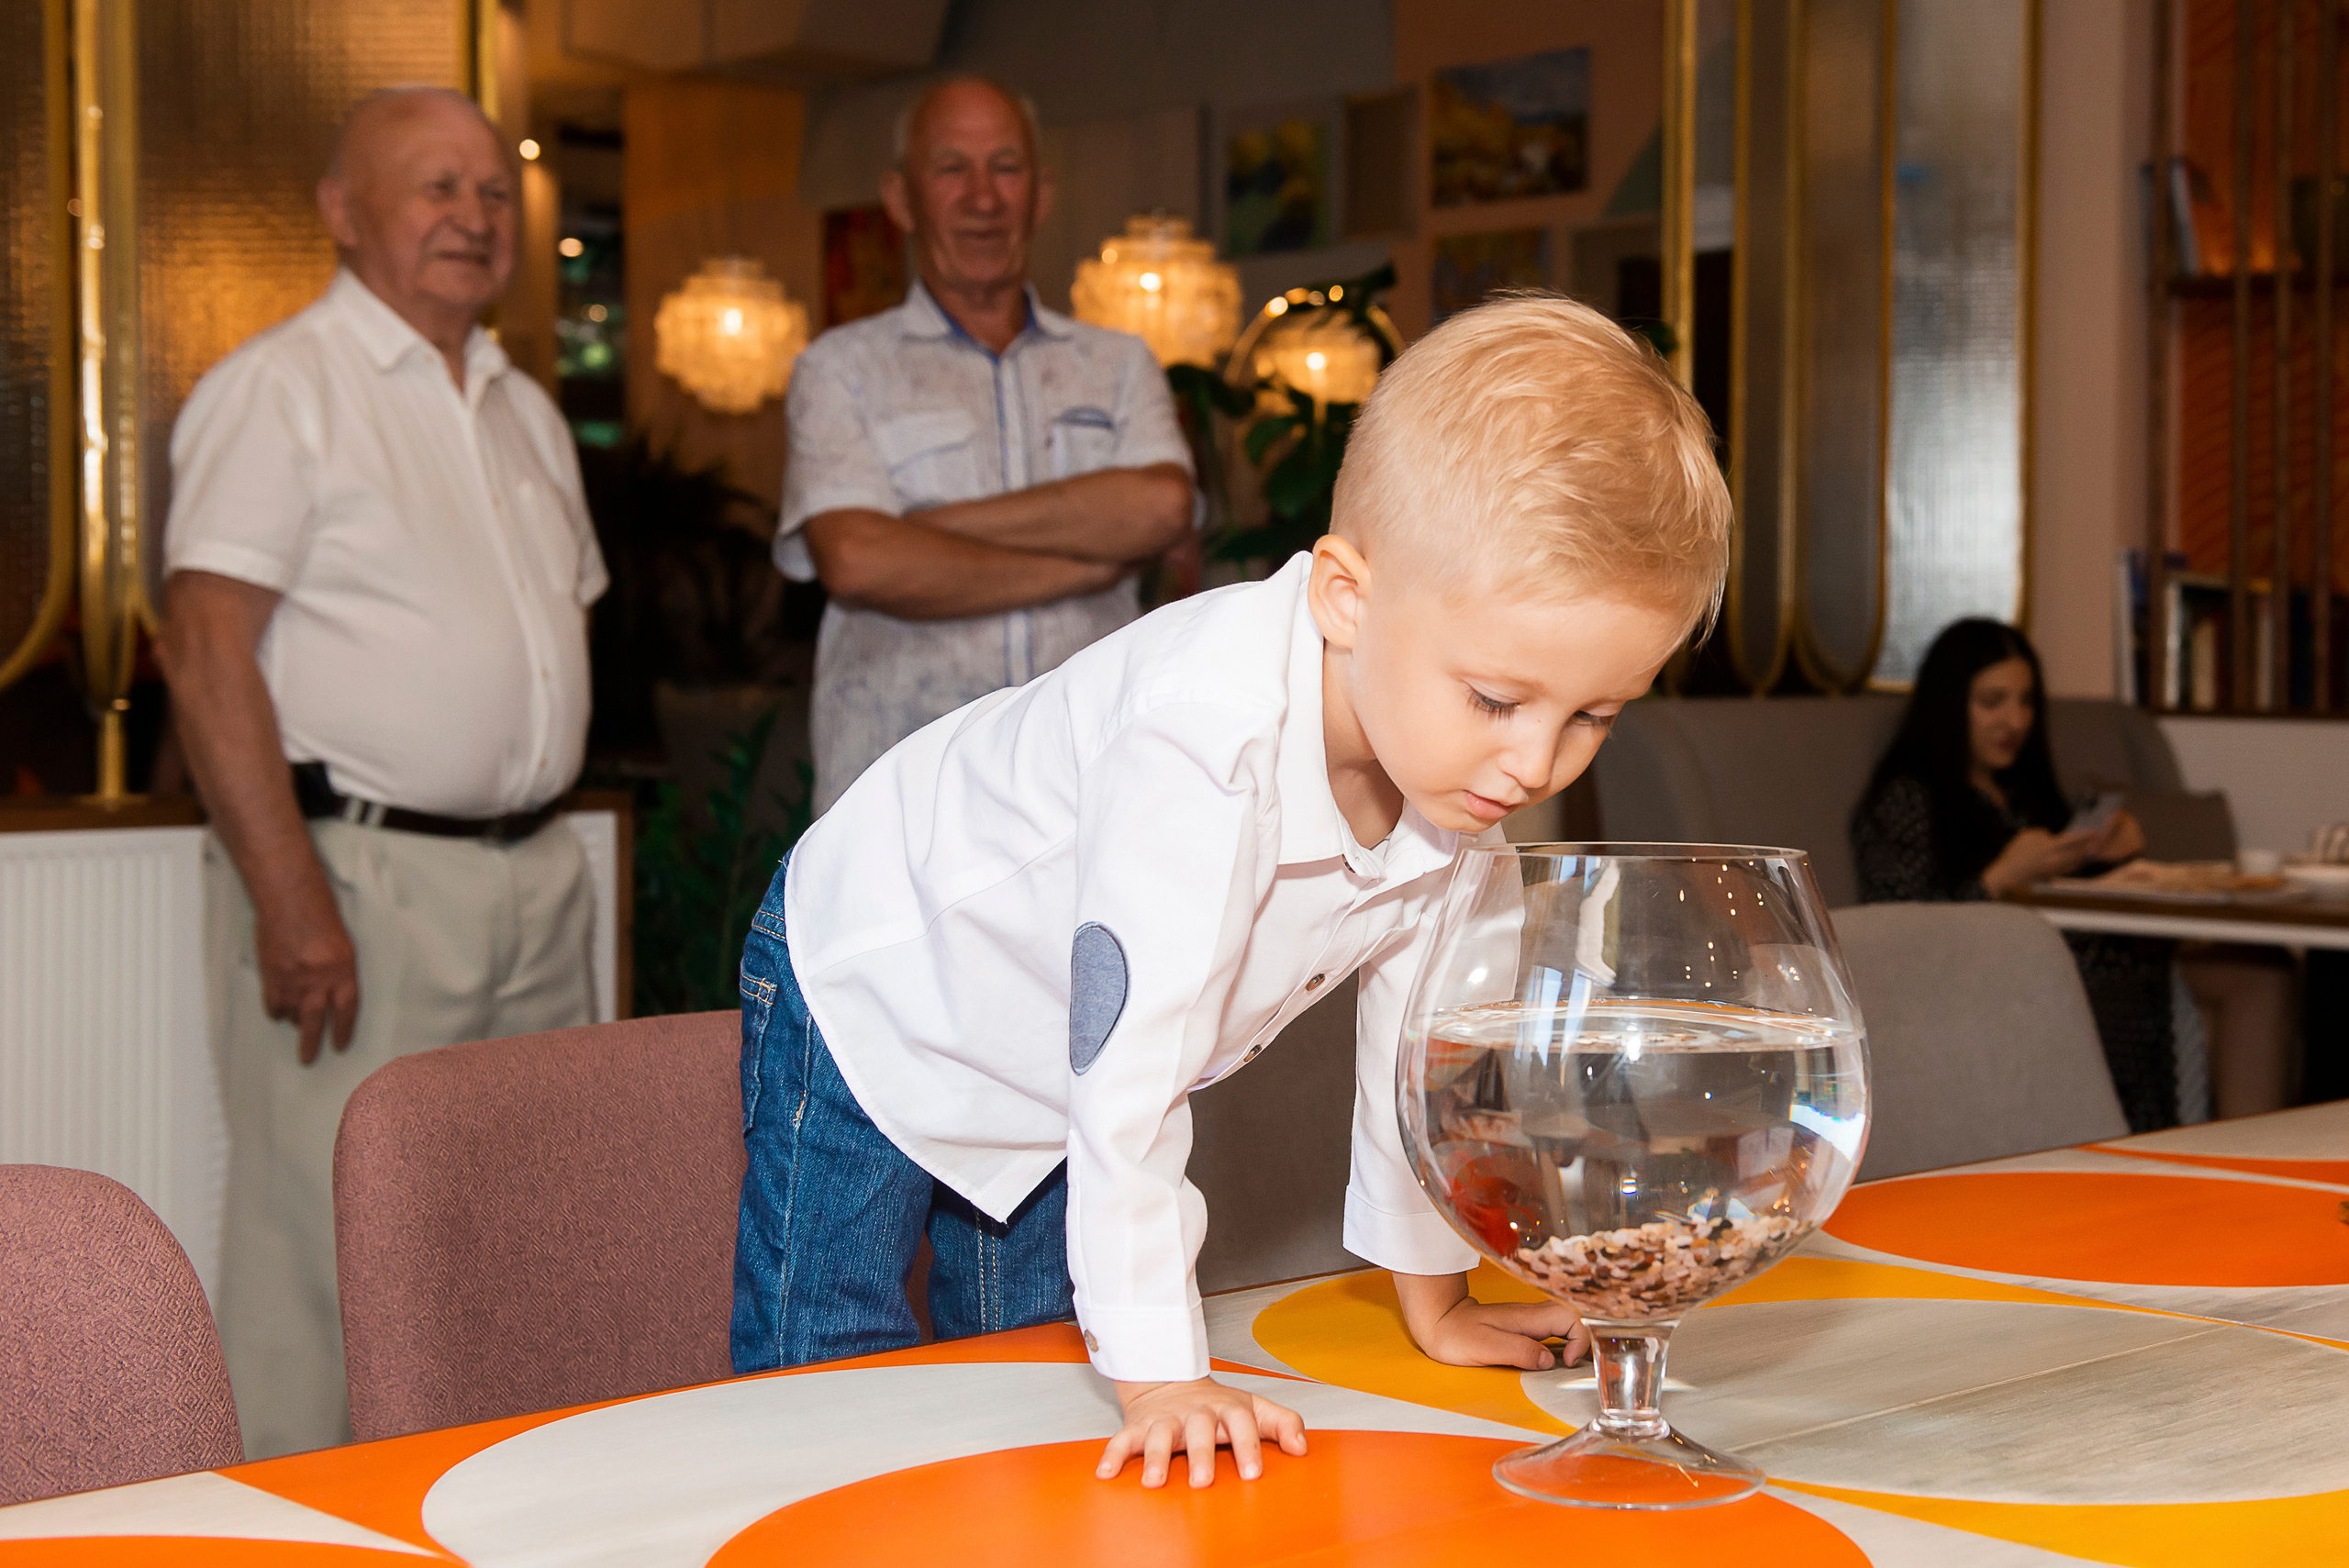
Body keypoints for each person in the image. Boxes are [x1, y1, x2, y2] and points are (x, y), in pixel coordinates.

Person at [731, 295, 1731, 1488]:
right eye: (1498, 699)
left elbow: (1424, 1070)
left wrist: (1436, 1301)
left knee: (1025, 1377)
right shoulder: (1202, 757)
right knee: (825, 1383)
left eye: (1594, 715)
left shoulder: (1457, 789)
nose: (1535, 763)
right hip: (880, 973)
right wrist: (1164, 1371)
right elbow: (1134, 1076)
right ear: (1345, 599)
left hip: (1055, 1051)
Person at [158, 87, 606, 1458]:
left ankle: (491, 1518)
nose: (473, 217)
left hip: (537, 876)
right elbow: (204, 648)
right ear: (344, 214)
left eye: (490, 192)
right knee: (327, 1250)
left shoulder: (525, 405)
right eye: (434, 189)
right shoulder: (279, 388)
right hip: (356, 880)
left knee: (522, 1237)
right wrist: (292, 898)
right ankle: (294, 1538)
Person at [774, 76, 1196, 815]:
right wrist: (1091, 563)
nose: (983, 197)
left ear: (1042, 194)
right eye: (950, 169)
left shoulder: (1119, 365)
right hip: (902, 810)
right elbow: (857, 559)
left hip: (1090, 802)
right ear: (901, 198)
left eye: (1006, 167)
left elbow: (1163, 507)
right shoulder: (839, 369)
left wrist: (924, 532)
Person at [1851, 618, 2296, 1131]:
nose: (2014, 720)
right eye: (1992, 701)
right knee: (2239, 975)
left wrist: (2115, 856)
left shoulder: (2023, 792)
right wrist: (1997, 879)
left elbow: (2072, 895)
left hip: (2106, 952)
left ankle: (2252, 1168)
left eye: (2026, 702)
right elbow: (1896, 930)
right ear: (1949, 706)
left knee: (2266, 970)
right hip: (2019, 974)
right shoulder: (1908, 800)